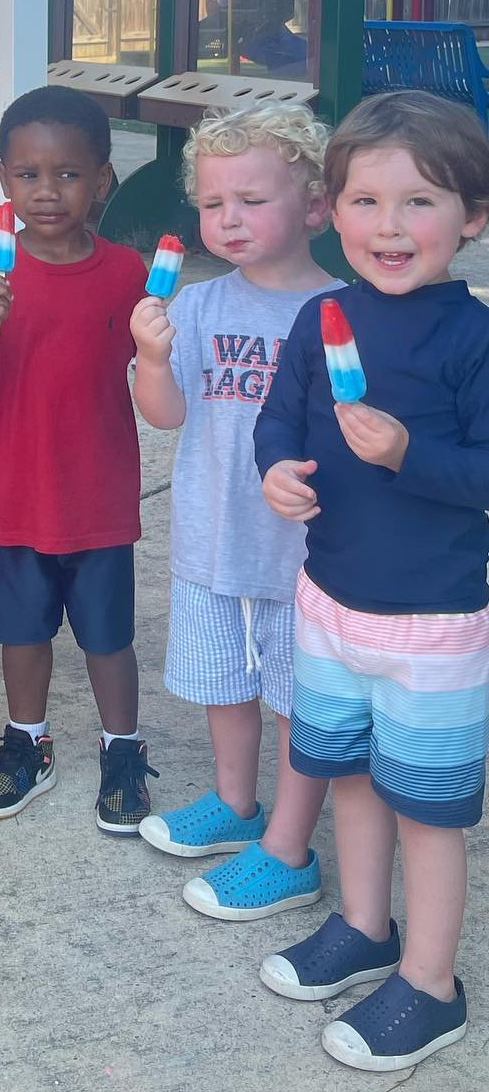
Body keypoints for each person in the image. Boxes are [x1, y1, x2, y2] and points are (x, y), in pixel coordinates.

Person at [254, 90, 489, 1071]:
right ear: (331, 210)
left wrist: (406, 454)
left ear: (473, 219)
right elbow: (281, 418)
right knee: (346, 772)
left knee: (426, 810)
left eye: (421, 203)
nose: (389, 227)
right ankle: (363, 924)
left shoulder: (471, 340)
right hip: (330, 603)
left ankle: (432, 986)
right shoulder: (323, 319)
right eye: (365, 202)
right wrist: (277, 472)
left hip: (432, 623)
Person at [130, 104, 332, 918]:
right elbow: (166, 413)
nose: (229, 219)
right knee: (226, 685)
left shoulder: (341, 310)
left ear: (315, 205)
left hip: (304, 556)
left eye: (252, 199)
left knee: (295, 700)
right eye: (214, 205)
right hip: (213, 539)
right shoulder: (201, 309)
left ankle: (287, 844)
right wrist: (149, 354)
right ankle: (233, 802)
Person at [0, 85, 155, 831]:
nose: (47, 191)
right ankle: (28, 742)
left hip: (97, 497)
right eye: (28, 174)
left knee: (108, 637)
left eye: (68, 174)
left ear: (101, 179)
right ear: (5, 178)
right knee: (22, 633)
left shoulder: (128, 274)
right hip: (13, 495)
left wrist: (159, 344)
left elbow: (155, 381)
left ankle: (122, 747)